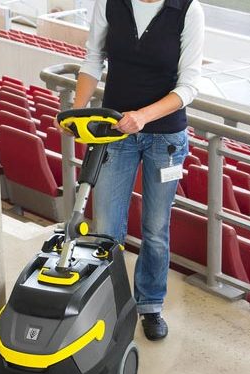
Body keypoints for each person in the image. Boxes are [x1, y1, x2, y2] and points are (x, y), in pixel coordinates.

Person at [70, 0, 204, 341]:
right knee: (106, 229)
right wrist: (76, 108)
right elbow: (92, 59)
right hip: (115, 130)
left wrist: (143, 116)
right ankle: (108, 304)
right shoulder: (110, 3)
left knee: (155, 230)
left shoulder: (187, 10)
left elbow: (189, 86)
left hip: (165, 140)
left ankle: (150, 306)